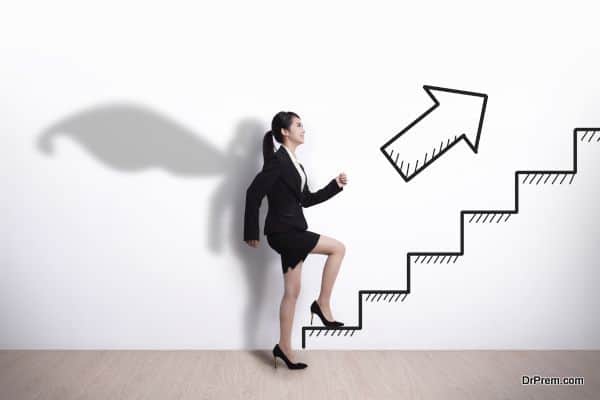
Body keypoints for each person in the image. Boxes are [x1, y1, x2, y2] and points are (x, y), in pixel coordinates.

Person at [243, 111, 348, 370]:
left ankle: (284, 348)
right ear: (284, 132)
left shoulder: (295, 164)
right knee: (338, 248)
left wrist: (334, 185)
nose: (304, 129)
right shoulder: (278, 161)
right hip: (284, 233)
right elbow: (253, 193)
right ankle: (322, 304)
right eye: (299, 125)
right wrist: (251, 232)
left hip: (290, 231)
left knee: (292, 292)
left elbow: (306, 200)